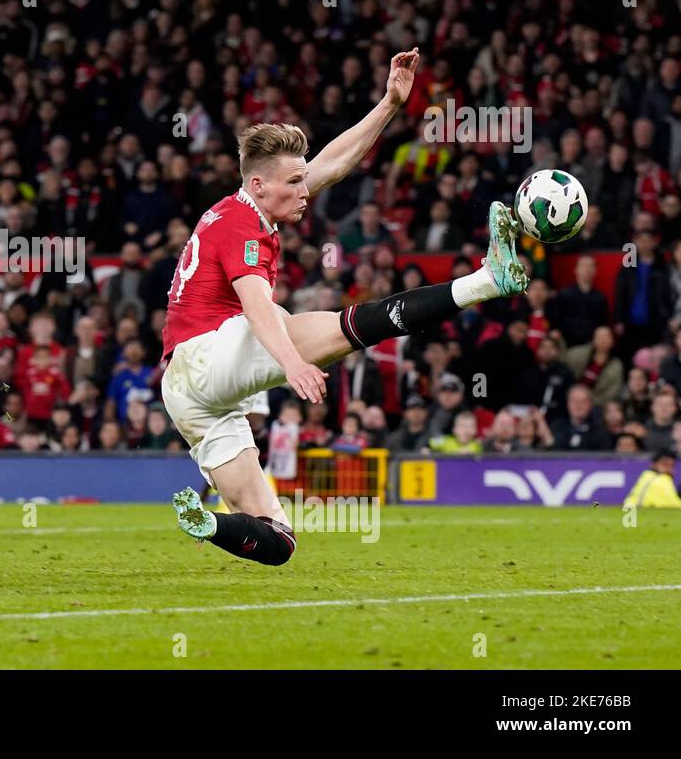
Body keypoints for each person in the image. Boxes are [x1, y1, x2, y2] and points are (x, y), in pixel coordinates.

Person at [165, 48, 529, 567]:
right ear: (257, 185)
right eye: (294, 183)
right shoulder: (241, 226)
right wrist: (292, 364)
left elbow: (331, 165)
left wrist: (389, 103)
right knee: (332, 329)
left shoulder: (252, 205)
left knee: (278, 539)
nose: (304, 190)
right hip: (204, 358)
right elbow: (256, 305)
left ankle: (207, 522)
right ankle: (485, 281)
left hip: (191, 397)